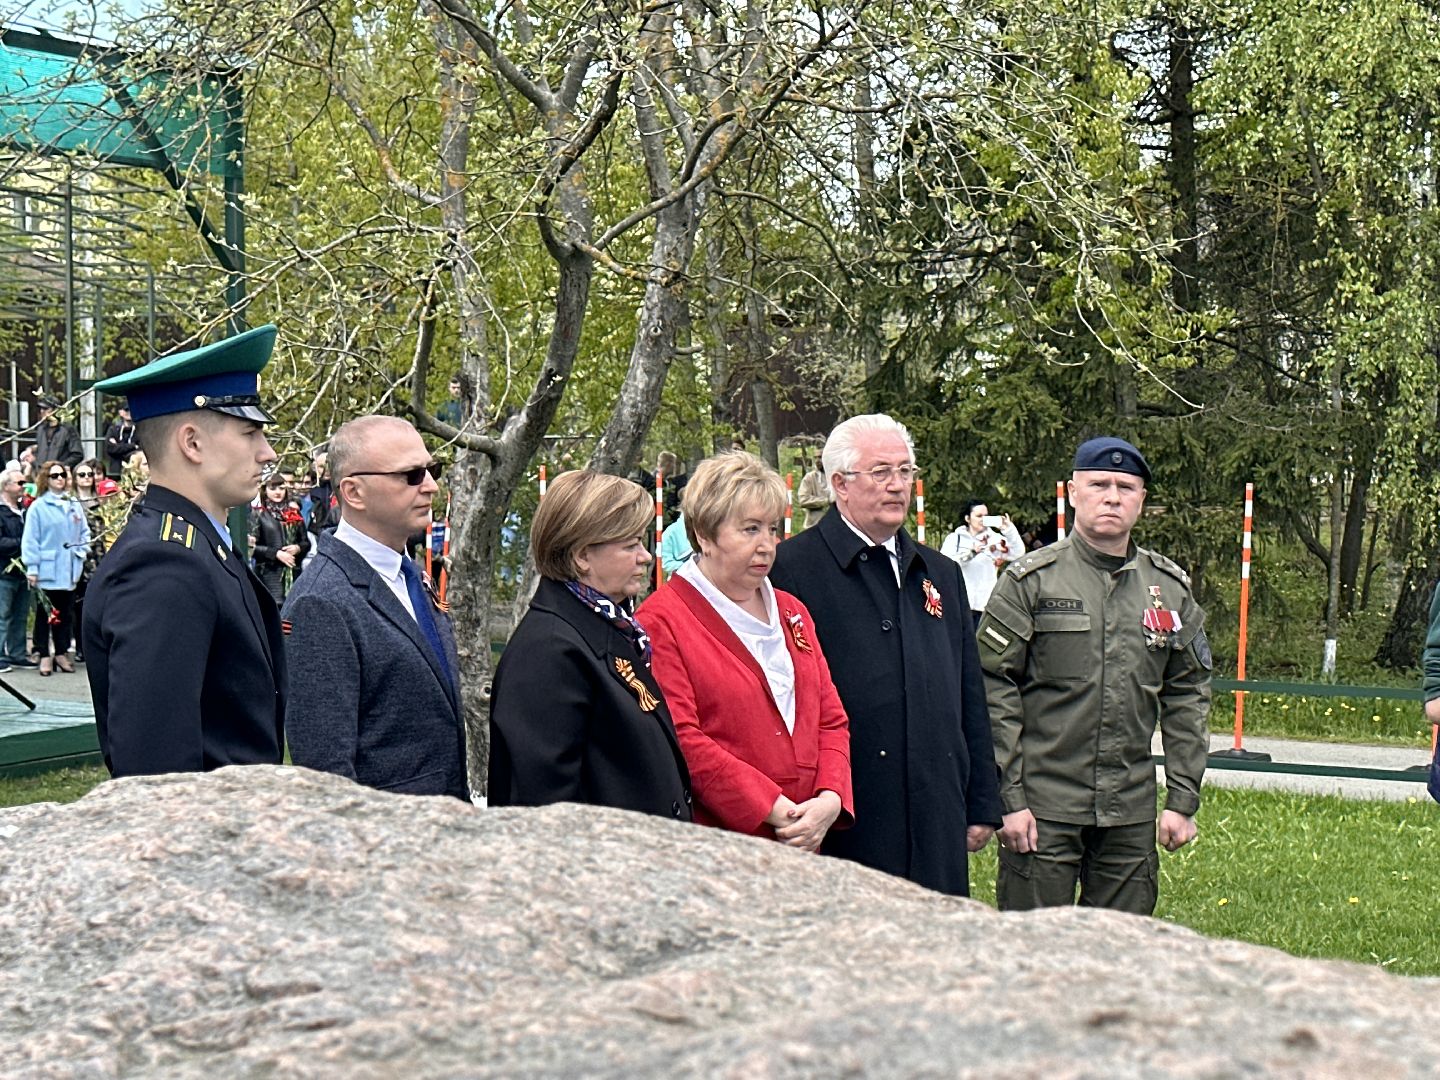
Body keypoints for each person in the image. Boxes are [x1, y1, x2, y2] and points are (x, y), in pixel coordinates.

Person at [768, 414, 1002, 897]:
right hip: (845, 812)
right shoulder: (790, 571)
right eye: (881, 473)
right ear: (840, 484)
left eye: (905, 471)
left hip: (936, 808)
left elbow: (967, 691)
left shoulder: (938, 571)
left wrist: (981, 798)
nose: (898, 486)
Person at [977, 436, 1212, 915]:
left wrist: (1183, 796)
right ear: (1072, 492)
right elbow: (990, 686)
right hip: (1044, 808)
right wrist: (1009, 797)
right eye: (1099, 484)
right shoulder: (1031, 582)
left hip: (1129, 810)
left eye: (1126, 487)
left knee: (1122, 959)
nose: (1112, 496)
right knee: (1034, 958)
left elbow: (1188, 693)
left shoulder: (1167, 589)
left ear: (1141, 500)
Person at [81, 324, 286, 778]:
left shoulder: (196, 544)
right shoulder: (163, 565)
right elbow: (157, 774)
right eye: (251, 433)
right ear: (192, 443)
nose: (267, 453)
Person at [638, 452, 852, 849]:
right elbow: (682, 738)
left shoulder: (793, 611)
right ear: (704, 534)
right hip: (723, 846)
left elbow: (831, 720)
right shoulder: (662, 620)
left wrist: (829, 799)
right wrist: (774, 808)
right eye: (750, 529)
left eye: (772, 529)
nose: (767, 545)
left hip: (808, 840)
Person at [489, 469, 693, 818]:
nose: (645, 556)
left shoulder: (604, 625)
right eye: (630, 545)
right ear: (583, 556)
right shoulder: (549, 651)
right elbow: (545, 808)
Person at [282, 416, 467, 800]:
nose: (431, 486)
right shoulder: (322, 602)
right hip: (386, 845)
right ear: (354, 492)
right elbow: (326, 779)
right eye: (411, 475)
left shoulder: (409, 574)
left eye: (432, 470)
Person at [21, 460, 89, 675]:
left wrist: (81, 552)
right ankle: (43, 654)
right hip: (46, 568)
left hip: (69, 568)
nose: (60, 479)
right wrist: (32, 568)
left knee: (66, 613)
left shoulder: (73, 503)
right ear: (46, 479)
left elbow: (85, 533)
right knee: (45, 614)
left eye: (62, 475)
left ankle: (61, 652)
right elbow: (31, 539)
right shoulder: (38, 507)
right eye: (55, 476)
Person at [941, 500, 1026, 626]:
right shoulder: (955, 539)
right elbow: (944, 565)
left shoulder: (995, 539)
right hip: (960, 605)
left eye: (986, 516)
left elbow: (1018, 553)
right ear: (968, 518)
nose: (983, 520)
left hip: (986, 606)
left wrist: (1008, 529)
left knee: (983, 644)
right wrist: (971, 553)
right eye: (979, 516)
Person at [250, 475, 310, 603]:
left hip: (293, 574)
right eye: (273, 488)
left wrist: (298, 548)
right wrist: (276, 553)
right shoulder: (259, 515)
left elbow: (306, 542)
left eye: (281, 488)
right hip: (269, 575)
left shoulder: (294, 513)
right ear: (265, 490)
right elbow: (252, 548)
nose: (278, 492)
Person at [0, 469, 35, 669]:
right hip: (4, 570)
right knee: (2, 615)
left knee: (20, 614)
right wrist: (23, 542)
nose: (23, 486)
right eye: (19, 483)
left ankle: (17, 652)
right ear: (6, 486)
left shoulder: (24, 509)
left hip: (22, 571)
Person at [796, 449, 830, 529]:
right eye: (816, 458)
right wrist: (826, 501)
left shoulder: (836, 477)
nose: (818, 460)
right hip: (814, 527)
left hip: (833, 528)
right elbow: (803, 500)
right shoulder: (810, 478)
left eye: (820, 457)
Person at [104, 406, 139, 479]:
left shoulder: (140, 429)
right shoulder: (113, 429)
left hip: (136, 473)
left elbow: (141, 448)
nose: (129, 412)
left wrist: (118, 447)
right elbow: (110, 449)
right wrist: (133, 446)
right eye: (126, 410)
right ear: (120, 412)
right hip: (116, 473)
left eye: (131, 409)